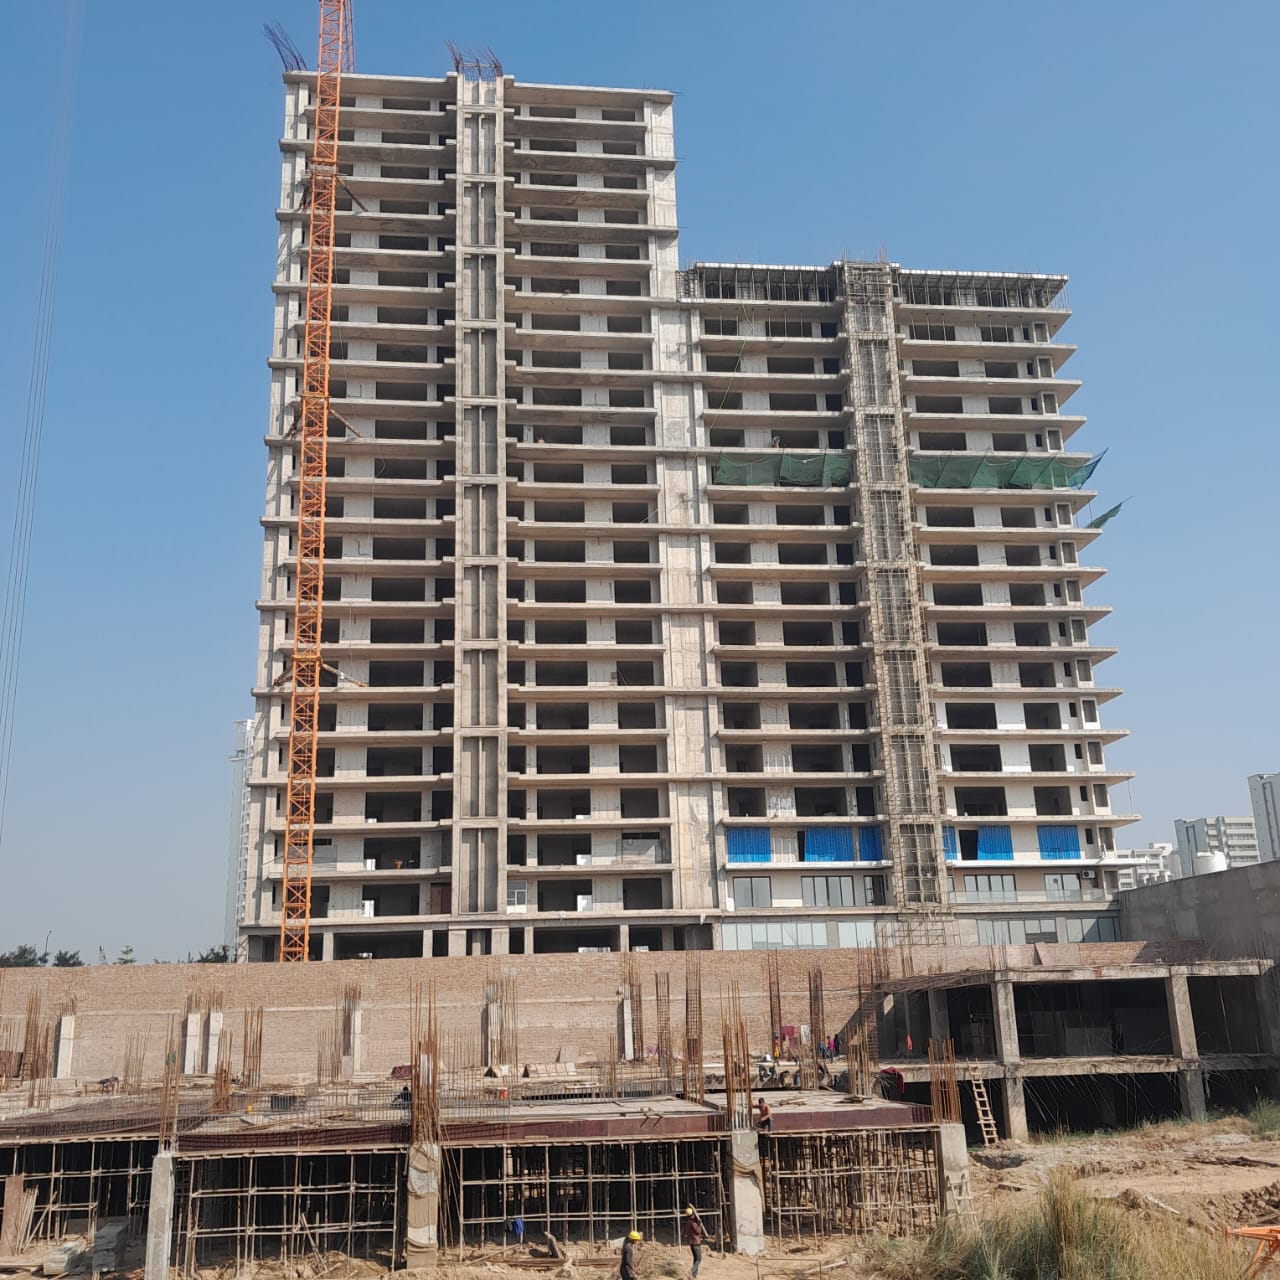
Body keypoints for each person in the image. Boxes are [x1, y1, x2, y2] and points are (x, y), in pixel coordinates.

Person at [683, 1206, 703, 1278]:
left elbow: (686, 1232)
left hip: (691, 1243)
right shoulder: (693, 1223)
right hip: (696, 1242)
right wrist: (699, 1224)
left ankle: (694, 1275)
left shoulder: (687, 1222)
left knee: (695, 1258)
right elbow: (698, 1232)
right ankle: (691, 1271)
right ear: (693, 1214)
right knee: (699, 1259)